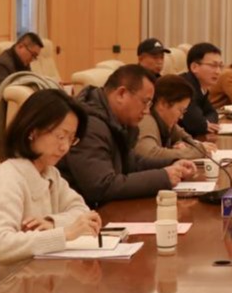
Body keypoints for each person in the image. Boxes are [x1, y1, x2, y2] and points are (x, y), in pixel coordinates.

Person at [0, 89, 100, 293]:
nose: (65, 147)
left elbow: (81, 211)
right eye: (60, 136)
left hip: (33, 286)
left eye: (71, 139)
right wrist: (64, 233)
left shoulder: (49, 172)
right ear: (32, 131)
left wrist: (52, 223)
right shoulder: (7, 179)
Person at [59, 65, 197, 206]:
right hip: (84, 212)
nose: (147, 111)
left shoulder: (116, 120)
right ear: (121, 94)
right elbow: (101, 186)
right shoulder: (89, 125)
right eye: (145, 102)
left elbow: (132, 163)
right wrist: (164, 177)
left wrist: (172, 164)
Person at [137, 75, 218, 160]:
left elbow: (184, 137)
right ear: (163, 104)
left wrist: (182, 145)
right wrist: (196, 151)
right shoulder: (147, 121)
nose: (181, 117)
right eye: (180, 110)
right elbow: (149, 154)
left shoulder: (165, 122)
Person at [0, 32, 44, 103]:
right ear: (21, 46)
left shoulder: (23, 62)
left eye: (35, 57)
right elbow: (2, 96)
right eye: (33, 55)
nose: (33, 59)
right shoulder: (1, 65)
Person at [179, 43, 223, 136]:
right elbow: (196, 124)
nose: (218, 72)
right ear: (194, 67)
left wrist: (206, 123)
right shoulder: (184, 87)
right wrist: (205, 124)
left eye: (220, 66)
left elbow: (212, 112)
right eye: (213, 65)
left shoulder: (201, 87)